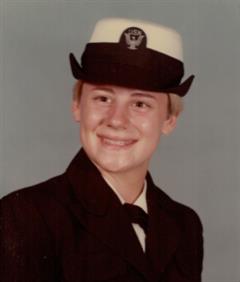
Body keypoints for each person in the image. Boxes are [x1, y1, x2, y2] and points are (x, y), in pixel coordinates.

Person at [0, 18, 203, 282]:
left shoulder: (184, 224)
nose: (117, 120)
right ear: (76, 106)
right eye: (103, 98)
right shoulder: (24, 216)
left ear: (169, 120)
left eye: (140, 104)